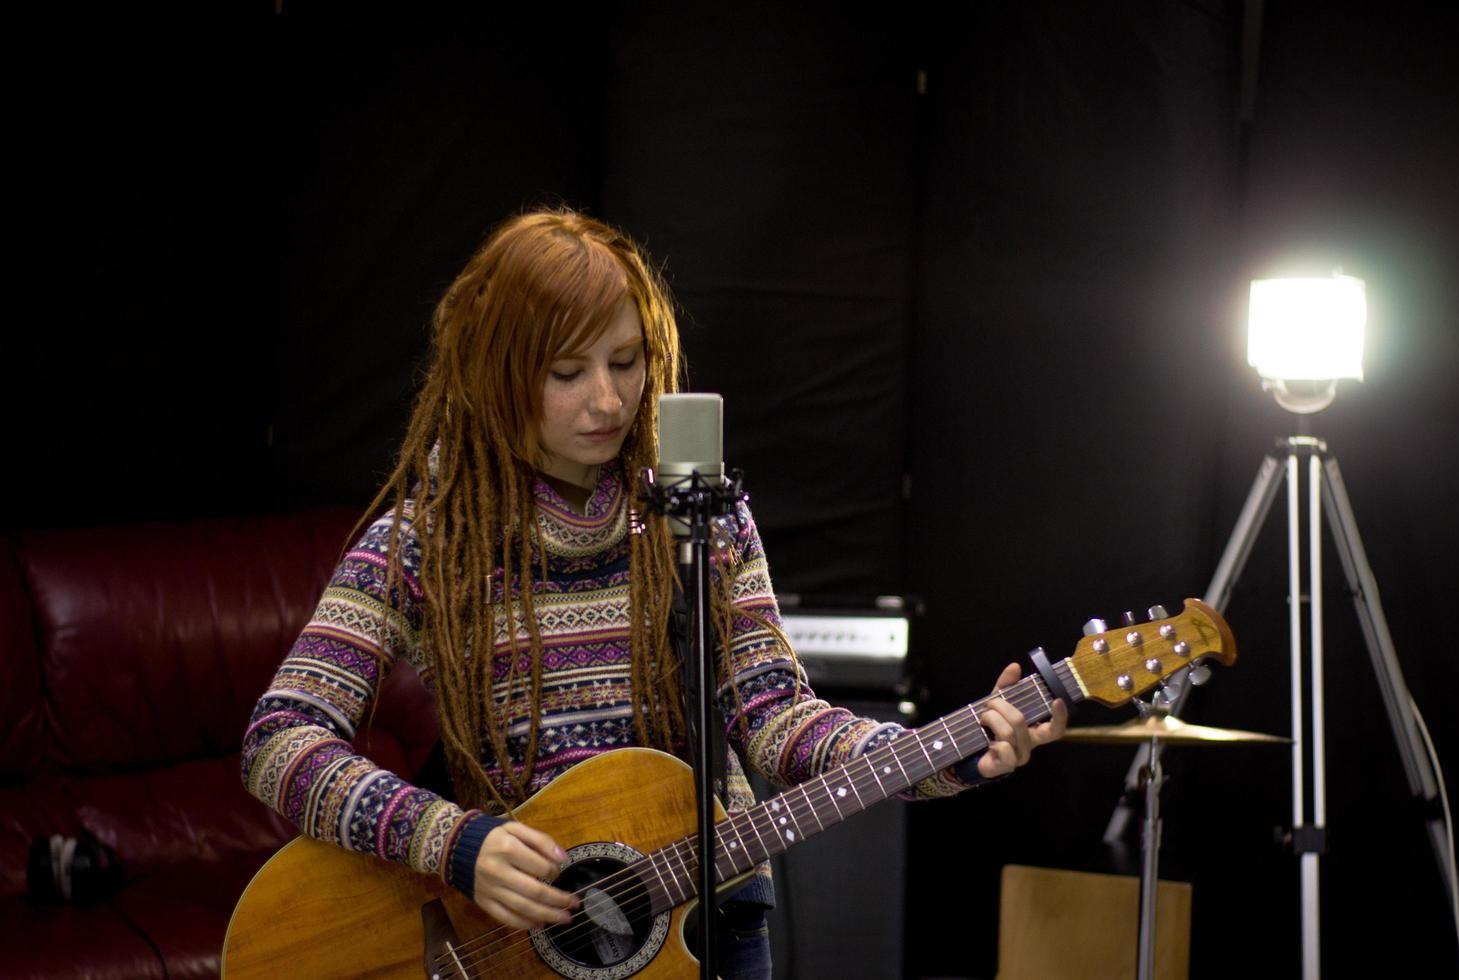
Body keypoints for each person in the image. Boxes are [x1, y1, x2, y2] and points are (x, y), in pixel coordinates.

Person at [241, 207, 1067, 979]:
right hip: (525, 946)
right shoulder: (427, 542)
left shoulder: (704, 517)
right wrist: (454, 842)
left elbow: (776, 720)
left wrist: (947, 756)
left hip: (713, 918)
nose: (606, 399)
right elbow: (279, 740)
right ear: (495, 373)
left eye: (627, 362)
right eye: (566, 372)